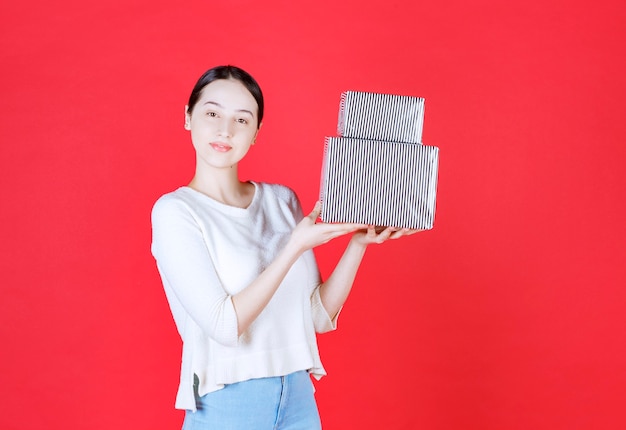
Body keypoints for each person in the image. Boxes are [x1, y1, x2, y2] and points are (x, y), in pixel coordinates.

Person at [151, 65, 419, 429]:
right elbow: (225, 326)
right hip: (226, 402)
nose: (225, 130)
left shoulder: (281, 201)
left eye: (242, 120)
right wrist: (293, 247)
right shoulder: (176, 212)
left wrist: (357, 244)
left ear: (257, 133)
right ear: (188, 117)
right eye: (212, 113)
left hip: (297, 396)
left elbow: (316, 318)